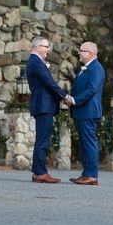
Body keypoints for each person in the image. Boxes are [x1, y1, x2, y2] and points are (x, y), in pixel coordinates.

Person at [26, 36, 71, 184]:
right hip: (43, 106)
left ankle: (38, 172)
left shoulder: (35, 61)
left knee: (42, 140)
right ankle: (40, 173)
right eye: (46, 47)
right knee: (42, 141)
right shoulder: (36, 62)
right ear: (37, 47)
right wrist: (64, 96)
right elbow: (49, 83)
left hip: (43, 105)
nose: (48, 50)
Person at [64, 41, 105, 185]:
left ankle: (92, 175)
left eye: (81, 50)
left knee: (89, 143)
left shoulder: (96, 69)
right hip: (82, 112)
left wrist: (74, 100)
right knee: (84, 144)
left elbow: (91, 90)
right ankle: (86, 173)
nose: (79, 53)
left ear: (90, 53)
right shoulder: (87, 68)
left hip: (88, 112)